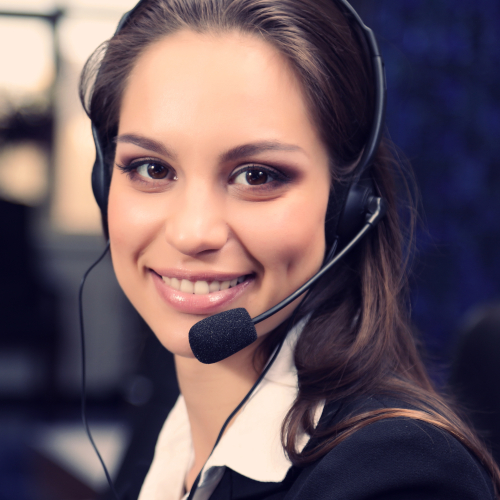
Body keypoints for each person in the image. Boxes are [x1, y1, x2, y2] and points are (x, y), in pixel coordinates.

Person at [79, 0, 500, 498]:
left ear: (346, 203)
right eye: (151, 168)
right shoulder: (169, 414)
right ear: (106, 179)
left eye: (256, 176)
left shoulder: (400, 477)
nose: (192, 233)